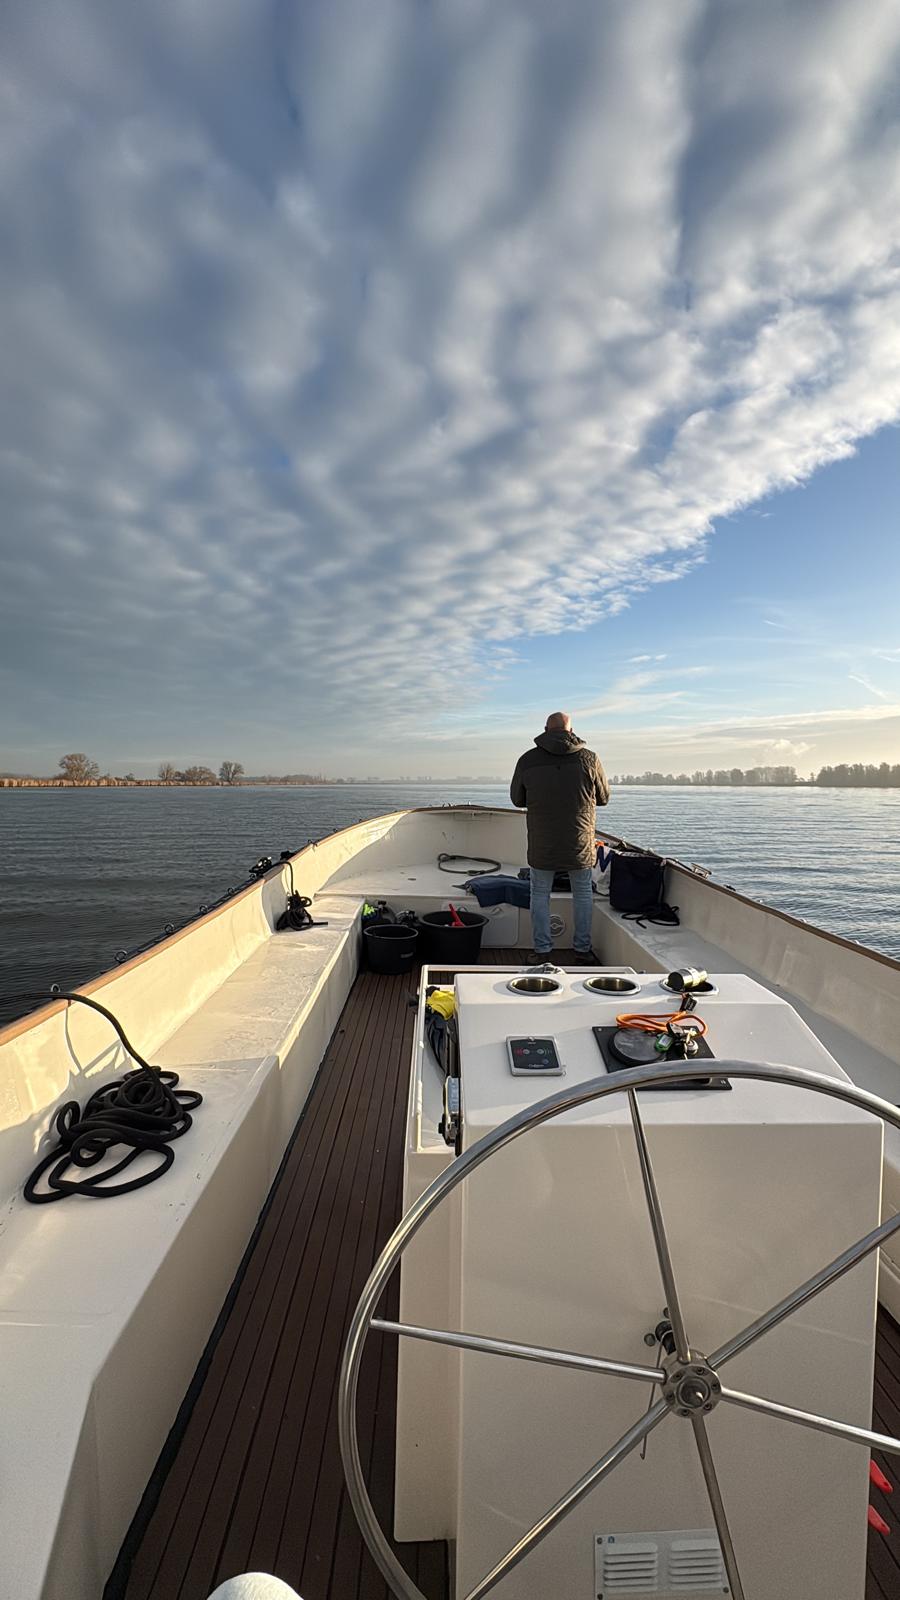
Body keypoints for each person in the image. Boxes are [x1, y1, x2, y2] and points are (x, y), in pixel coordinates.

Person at [509, 711, 609, 963]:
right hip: (579, 841)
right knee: (583, 893)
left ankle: (542, 951)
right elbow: (604, 798)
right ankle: (582, 951)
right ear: (571, 731)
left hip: (543, 842)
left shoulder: (527, 760)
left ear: (545, 730)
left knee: (539, 894)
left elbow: (517, 799)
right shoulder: (590, 759)